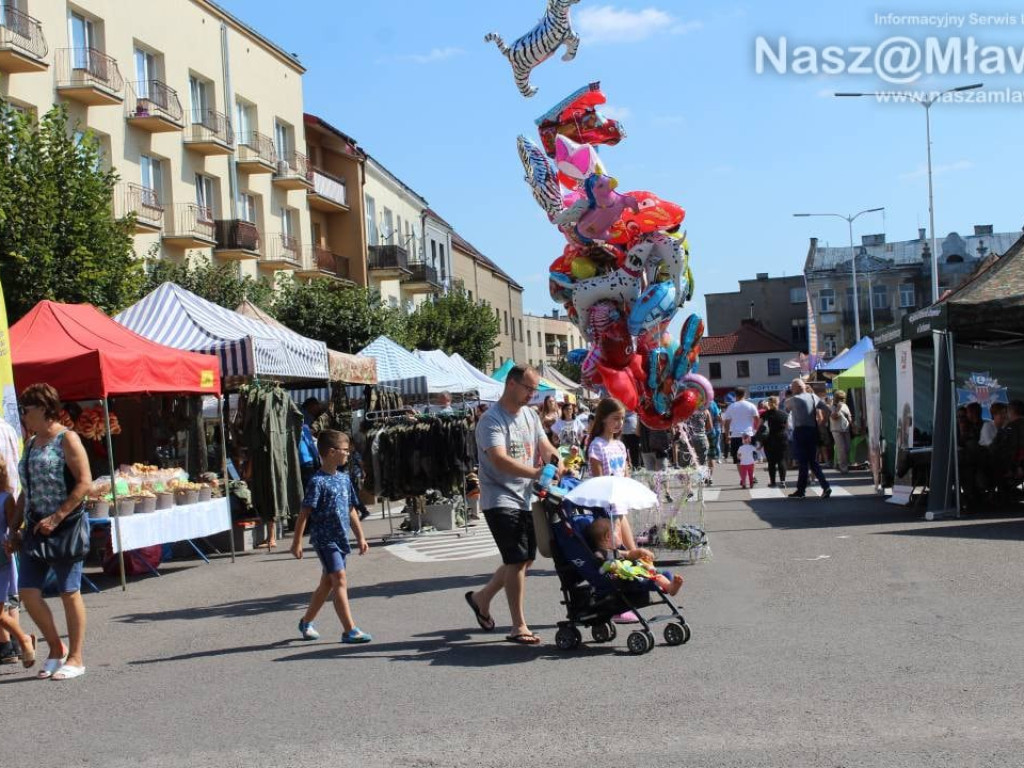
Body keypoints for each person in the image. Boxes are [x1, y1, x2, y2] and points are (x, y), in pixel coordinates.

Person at [465, 365, 562, 645]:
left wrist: (557, 460)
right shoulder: (490, 420)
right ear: (511, 384)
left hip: (526, 496)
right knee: (517, 559)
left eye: (535, 390)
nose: (533, 395)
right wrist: (534, 472)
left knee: (525, 558)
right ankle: (518, 625)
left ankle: (481, 599)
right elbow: (498, 459)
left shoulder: (530, 415)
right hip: (499, 496)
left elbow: (545, 447)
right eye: (528, 388)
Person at [9, 384, 92, 680]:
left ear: (43, 409)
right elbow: (25, 491)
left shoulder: (67, 439)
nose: (23, 416)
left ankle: (76, 658)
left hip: (64, 527)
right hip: (34, 527)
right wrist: (14, 527)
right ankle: (56, 648)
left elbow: (84, 483)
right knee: (28, 593)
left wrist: (57, 517)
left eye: (26, 410)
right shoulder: (31, 444)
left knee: (70, 592)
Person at [291, 430, 372, 644]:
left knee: (327, 583)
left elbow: (351, 510)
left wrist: (361, 537)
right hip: (324, 540)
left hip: (340, 539)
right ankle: (350, 630)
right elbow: (304, 513)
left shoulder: (344, 479)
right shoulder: (317, 482)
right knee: (339, 580)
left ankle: (306, 621)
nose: (347, 454)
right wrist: (296, 542)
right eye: (345, 451)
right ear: (331, 452)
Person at [583, 517, 683, 596]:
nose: (620, 536)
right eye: (618, 533)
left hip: (637, 572)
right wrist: (612, 565)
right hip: (626, 580)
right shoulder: (600, 554)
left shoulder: (615, 551)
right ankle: (669, 587)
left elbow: (629, 554)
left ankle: (669, 586)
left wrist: (640, 552)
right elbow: (604, 566)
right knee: (652, 579)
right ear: (608, 537)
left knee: (665, 574)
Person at [0, 455, 35, 668]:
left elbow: (12, 528)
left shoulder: (6, 498)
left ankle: (23, 640)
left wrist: (12, 542)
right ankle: (21, 642)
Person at [785, 379, 832, 499]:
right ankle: (825, 486)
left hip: (800, 431)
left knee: (803, 462)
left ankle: (801, 490)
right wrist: (822, 423)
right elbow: (828, 409)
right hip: (812, 431)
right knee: (813, 461)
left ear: (795, 388)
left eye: (792, 388)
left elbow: (787, 408)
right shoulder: (813, 397)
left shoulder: (792, 400)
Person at [0, 417, 22, 665]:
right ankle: (13, 642)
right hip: (10, 502)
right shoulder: (8, 427)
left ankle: (9, 643)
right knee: (9, 591)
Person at [723, 388, 760, 471]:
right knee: (751, 457)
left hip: (736, 435)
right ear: (745, 394)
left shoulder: (731, 407)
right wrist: (756, 430)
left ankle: (742, 479)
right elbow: (757, 419)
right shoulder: (751, 405)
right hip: (748, 434)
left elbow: (727, 423)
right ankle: (752, 476)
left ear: (735, 395)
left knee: (738, 459)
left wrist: (727, 435)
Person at [760, 396, 790, 488]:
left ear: (768, 403)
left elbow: (760, 426)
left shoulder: (765, 414)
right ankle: (782, 481)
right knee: (781, 460)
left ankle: (773, 482)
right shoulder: (784, 414)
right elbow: (788, 427)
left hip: (769, 439)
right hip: (782, 438)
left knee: (771, 462)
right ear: (778, 403)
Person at [829, 390, 854, 473]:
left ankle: (842, 464)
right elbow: (833, 417)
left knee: (848, 448)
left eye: (843, 398)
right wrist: (838, 409)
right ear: (836, 398)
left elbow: (849, 415)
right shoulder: (832, 407)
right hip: (836, 430)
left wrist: (851, 422)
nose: (842, 400)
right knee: (841, 449)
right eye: (841, 398)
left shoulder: (845, 405)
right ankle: (843, 467)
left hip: (845, 429)